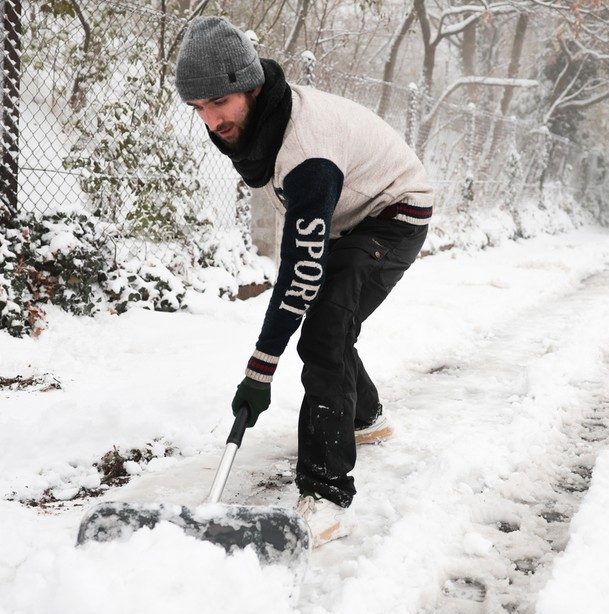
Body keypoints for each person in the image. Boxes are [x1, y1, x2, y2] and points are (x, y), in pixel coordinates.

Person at [174, 16, 433, 547]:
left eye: (218, 102)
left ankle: (327, 495)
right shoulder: (263, 123)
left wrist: (259, 369)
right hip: (351, 213)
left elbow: (299, 272)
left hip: (395, 210)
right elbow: (304, 259)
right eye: (198, 108)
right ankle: (366, 416)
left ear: (250, 86)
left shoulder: (306, 153)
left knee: (322, 332)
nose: (210, 119)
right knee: (328, 322)